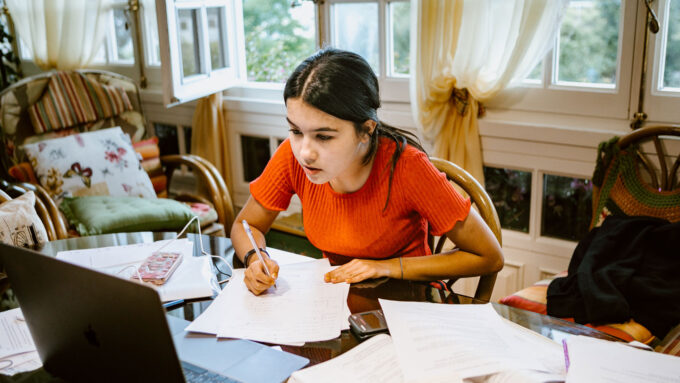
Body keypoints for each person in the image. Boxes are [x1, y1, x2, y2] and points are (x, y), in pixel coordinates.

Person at [231, 48, 503, 295]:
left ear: (366, 130)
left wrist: (385, 267)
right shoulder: (292, 157)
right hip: (337, 298)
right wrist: (256, 258)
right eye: (296, 131)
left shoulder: (407, 167)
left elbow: (489, 257)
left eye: (324, 137)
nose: (305, 152)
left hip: (408, 300)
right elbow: (247, 225)